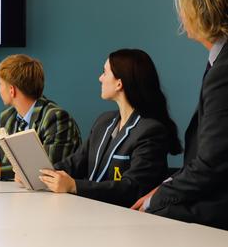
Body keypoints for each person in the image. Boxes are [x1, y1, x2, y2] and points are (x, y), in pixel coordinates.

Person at [132, 0, 228, 231]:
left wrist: (157, 199)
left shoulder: (223, 71)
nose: (181, 14)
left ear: (199, 10)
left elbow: (212, 163)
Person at [39, 49, 181, 207]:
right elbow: (76, 163)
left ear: (119, 83)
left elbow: (132, 188)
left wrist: (74, 186)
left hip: (126, 221)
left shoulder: (151, 131)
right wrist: (38, 174)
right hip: (92, 211)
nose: (100, 78)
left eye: (104, 73)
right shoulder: (104, 121)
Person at [0, 54, 81, 180]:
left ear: (11, 90)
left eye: (0, 84)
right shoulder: (8, 117)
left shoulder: (56, 118)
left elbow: (47, 171)